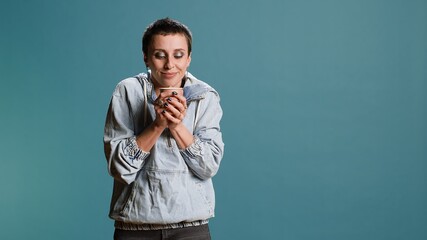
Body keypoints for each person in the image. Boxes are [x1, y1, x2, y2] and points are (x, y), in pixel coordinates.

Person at [103, 18, 224, 240]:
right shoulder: (127, 91)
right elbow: (119, 168)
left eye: (178, 55)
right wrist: (158, 124)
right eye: (160, 55)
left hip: (190, 226)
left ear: (189, 58)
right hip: (135, 225)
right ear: (146, 58)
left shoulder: (205, 96)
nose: (170, 65)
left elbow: (208, 166)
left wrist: (177, 126)